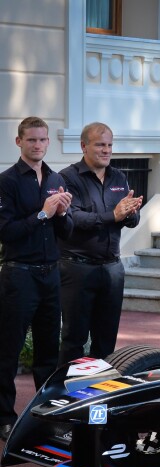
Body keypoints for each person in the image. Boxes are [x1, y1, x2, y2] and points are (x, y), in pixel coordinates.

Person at [0, 117, 73, 440]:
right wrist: (42, 213)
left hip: (50, 273)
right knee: (9, 350)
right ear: (19, 142)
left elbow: (66, 233)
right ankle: (4, 416)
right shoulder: (7, 181)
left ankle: (46, 415)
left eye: (43, 140)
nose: (39, 145)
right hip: (19, 274)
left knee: (48, 351)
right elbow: (7, 232)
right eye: (32, 140)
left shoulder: (56, 178)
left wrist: (63, 214)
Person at [58, 122, 142, 366]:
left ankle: (99, 394)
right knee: (74, 338)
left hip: (112, 268)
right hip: (77, 268)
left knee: (106, 340)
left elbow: (131, 220)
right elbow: (74, 219)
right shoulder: (67, 178)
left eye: (109, 145)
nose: (106, 150)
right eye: (100, 145)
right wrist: (113, 215)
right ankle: (65, 393)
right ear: (84, 146)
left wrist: (131, 212)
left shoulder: (119, 176)